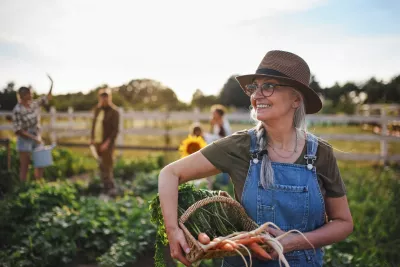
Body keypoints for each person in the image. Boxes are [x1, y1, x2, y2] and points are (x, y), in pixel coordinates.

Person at [158, 50, 353, 267]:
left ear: (296, 99)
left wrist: (294, 242)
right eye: (254, 87)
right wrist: (173, 230)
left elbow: (343, 222)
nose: (256, 95)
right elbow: (170, 173)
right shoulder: (240, 146)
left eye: (268, 86)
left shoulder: (319, 153)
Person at [12, 75, 53, 181]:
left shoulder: (33, 104)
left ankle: (38, 185)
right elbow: (18, 130)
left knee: (40, 162)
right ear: (24, 95)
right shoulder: (17, 110)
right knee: (24, 166)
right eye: (29, 93)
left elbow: (46, 98)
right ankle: (23, 188)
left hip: (36, 135)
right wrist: (33, 138)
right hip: (25, 138)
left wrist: (51, 84)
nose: (32, 94)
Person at [90, 88, 120, 196]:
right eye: (102, 97)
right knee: (101, 165)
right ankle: (104, 187)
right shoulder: (97, 110)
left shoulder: (114, 111)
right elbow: (94, 125)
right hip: (97, 142)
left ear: (109, 97)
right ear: (100, 98)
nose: (104, 99)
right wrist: (92, 139)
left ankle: (111, 189)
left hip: (107, 144)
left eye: (106, 97)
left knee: (107, 165)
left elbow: (115, 130)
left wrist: (107, 143)